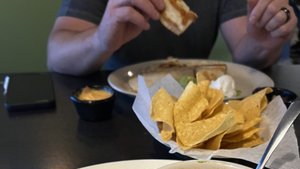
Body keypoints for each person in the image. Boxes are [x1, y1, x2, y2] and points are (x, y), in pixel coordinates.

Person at [47, 0, 297, 76]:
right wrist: (101, 39)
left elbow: (247, 54)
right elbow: (57, 56)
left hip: (199, 103)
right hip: (118, 112)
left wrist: (264, 40)